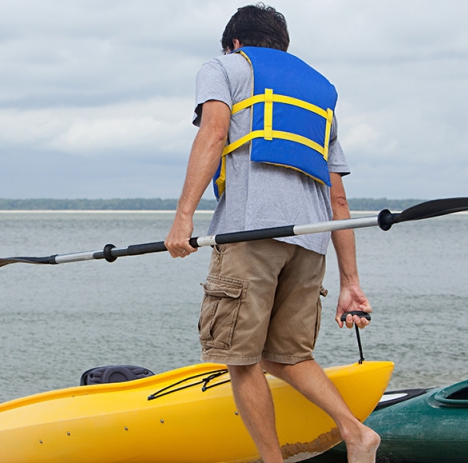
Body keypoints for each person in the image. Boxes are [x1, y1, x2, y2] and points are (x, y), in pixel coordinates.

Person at [164, 4, 380, 463]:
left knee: (240, 360)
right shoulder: (320, 93)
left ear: (235, 43)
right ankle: (357, 433)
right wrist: (351, 283)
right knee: (286, 356)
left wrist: (184, 217)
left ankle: (271, 461)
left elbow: (214, 132)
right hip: (312, 239)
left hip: (249, 233)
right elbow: (338, 200)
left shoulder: (223, 67)